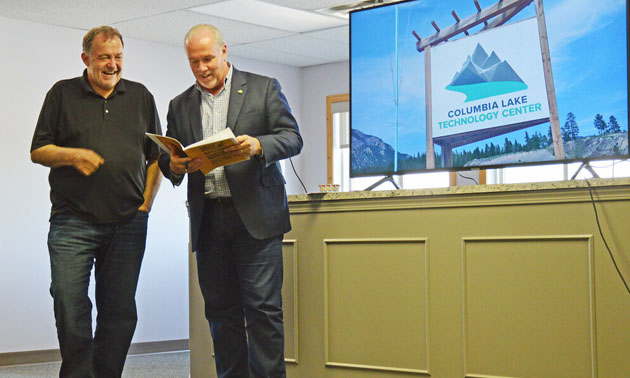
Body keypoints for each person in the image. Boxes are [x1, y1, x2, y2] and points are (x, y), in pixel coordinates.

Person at [158, 24, 303, 377]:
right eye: (194, 62)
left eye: (207, 58)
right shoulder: (180, 105)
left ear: (224, 52)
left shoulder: (263, 88)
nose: (202, 68)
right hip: (209, 222)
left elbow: (292, 138)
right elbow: (170, 160)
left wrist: (259, 146)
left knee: (263, 313)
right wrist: (173, 164)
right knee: (221, 317)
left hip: (255, 221)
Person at [30, 26, 162, 378]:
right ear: (86, 58)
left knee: (119, 312)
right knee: (69, 303)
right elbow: (38, 149)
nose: (112, 64)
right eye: (104, 57)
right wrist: (73, 156)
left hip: (128, 222)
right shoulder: (62, 93)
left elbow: (156, 157)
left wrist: (146, 202)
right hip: (73, 220)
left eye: (118, 57)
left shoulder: (141, 96)